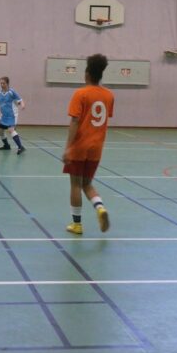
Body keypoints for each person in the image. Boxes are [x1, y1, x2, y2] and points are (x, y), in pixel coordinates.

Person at [63, 54, 113, 235]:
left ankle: (77, 224)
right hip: (97, 147)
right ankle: (100, 208)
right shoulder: (109, 95)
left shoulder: (80, 94)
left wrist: (68, 147)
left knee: (75, 184)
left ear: (87, 74)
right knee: (87, 184)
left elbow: (75, 121)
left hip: (79, 146)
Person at [0, 76, 26, 154]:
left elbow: (20, 100)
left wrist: (22, 105)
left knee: (11, 130)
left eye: (3, 83)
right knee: (0, 131)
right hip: (3, 116)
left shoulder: (11, 92)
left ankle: (20, 147)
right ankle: (6, 145)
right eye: (1, 83)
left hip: (12, 115)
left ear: (7, 83)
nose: (2, 85)